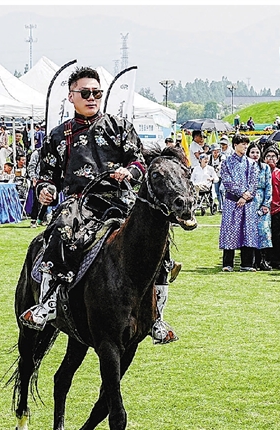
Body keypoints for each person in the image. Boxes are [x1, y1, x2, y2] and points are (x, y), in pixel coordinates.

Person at [21, 66, 180, 344]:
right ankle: (47, 303)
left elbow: (138, 161)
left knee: (158, 239)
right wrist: (46, 190)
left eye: (96, 92)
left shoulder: (120, 127)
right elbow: (47, 176)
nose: (92, 97)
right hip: (79, 203)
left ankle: (157, 317)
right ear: (71, 96)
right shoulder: (59, 135)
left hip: (121, 200)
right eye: (85, 93)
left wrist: (129, 172)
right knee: (60, 230)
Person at [219, 134, 258, 271]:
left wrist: (246, 196)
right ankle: (228, 263)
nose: (245, 146)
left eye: (246, 144)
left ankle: (247, 264)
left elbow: (254, 182)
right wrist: (241, 193)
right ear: (235, 145)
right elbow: (227, 181)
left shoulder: (251, 163)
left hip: (248, 202)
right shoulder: (226, 162)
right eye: (243, 144)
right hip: (232, 201)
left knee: (248, 231)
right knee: (230, 230)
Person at [247, 143, 273, 270]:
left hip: (262, 201)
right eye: (252, 152)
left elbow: (268, 186)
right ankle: (251, 261)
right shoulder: (245, 167)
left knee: (263, 231)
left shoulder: (265, 168)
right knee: (250, 231)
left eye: (257, 152)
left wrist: (266, 204)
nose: (255, 155)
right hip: (249, 202)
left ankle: (262, 260)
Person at [265, 144, 280, 270]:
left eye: (273, 156)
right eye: (268, 156)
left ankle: (277, 260)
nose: (271, 159)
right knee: (265, 235)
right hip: (264, 209)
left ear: (278, 158)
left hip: (277, 208)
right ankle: (266, 259)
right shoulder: (261, 172)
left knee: (278, 235)